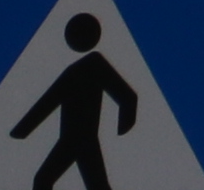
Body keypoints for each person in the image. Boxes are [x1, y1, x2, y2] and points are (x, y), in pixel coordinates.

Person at [11, 10, 138, 190]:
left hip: (83, 139)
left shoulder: (94, 64)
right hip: (70, 140)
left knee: (46, 179)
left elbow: (127, 95)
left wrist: (125, 123)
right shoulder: (74, 71)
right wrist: (21, 130)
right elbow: (49, 101)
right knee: (48, 179)